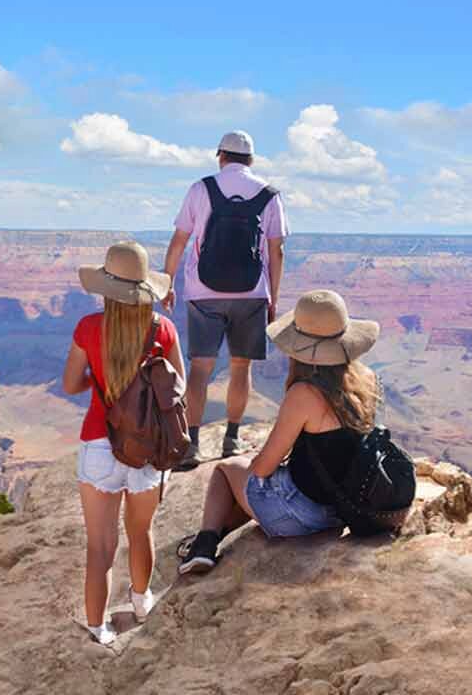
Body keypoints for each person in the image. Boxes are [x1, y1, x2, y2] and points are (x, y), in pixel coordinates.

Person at [177, 289, 381, 573]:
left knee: (226, 470)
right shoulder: (366, 381)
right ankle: (212, 538)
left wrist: (255, 460)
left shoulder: (304, 393)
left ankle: (204, 546)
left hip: (303, 515)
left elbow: (262, 470)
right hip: (343, 509)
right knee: (251, 480)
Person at [62, 241, 186, 645]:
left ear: (106, 289)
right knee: (141, 530)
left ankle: (98, 629)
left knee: (100, 546)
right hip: (147, 447)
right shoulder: (163, 330)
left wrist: (99, 386)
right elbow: (178, 388)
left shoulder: (88, 328)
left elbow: (70, 383)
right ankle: (140, 601)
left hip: (99, 443)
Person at [162, 130, 288, 470]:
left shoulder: (201, 189)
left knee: (200, 368)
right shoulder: (269, 195)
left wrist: (167, 282)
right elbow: (276, 251)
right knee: (240, 366)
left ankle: (192, 445)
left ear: (221, 156)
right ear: (251, 159)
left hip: (204, 291)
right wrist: (272, 298)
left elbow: (179, 241)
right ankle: (232, 439)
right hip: (251, 294)